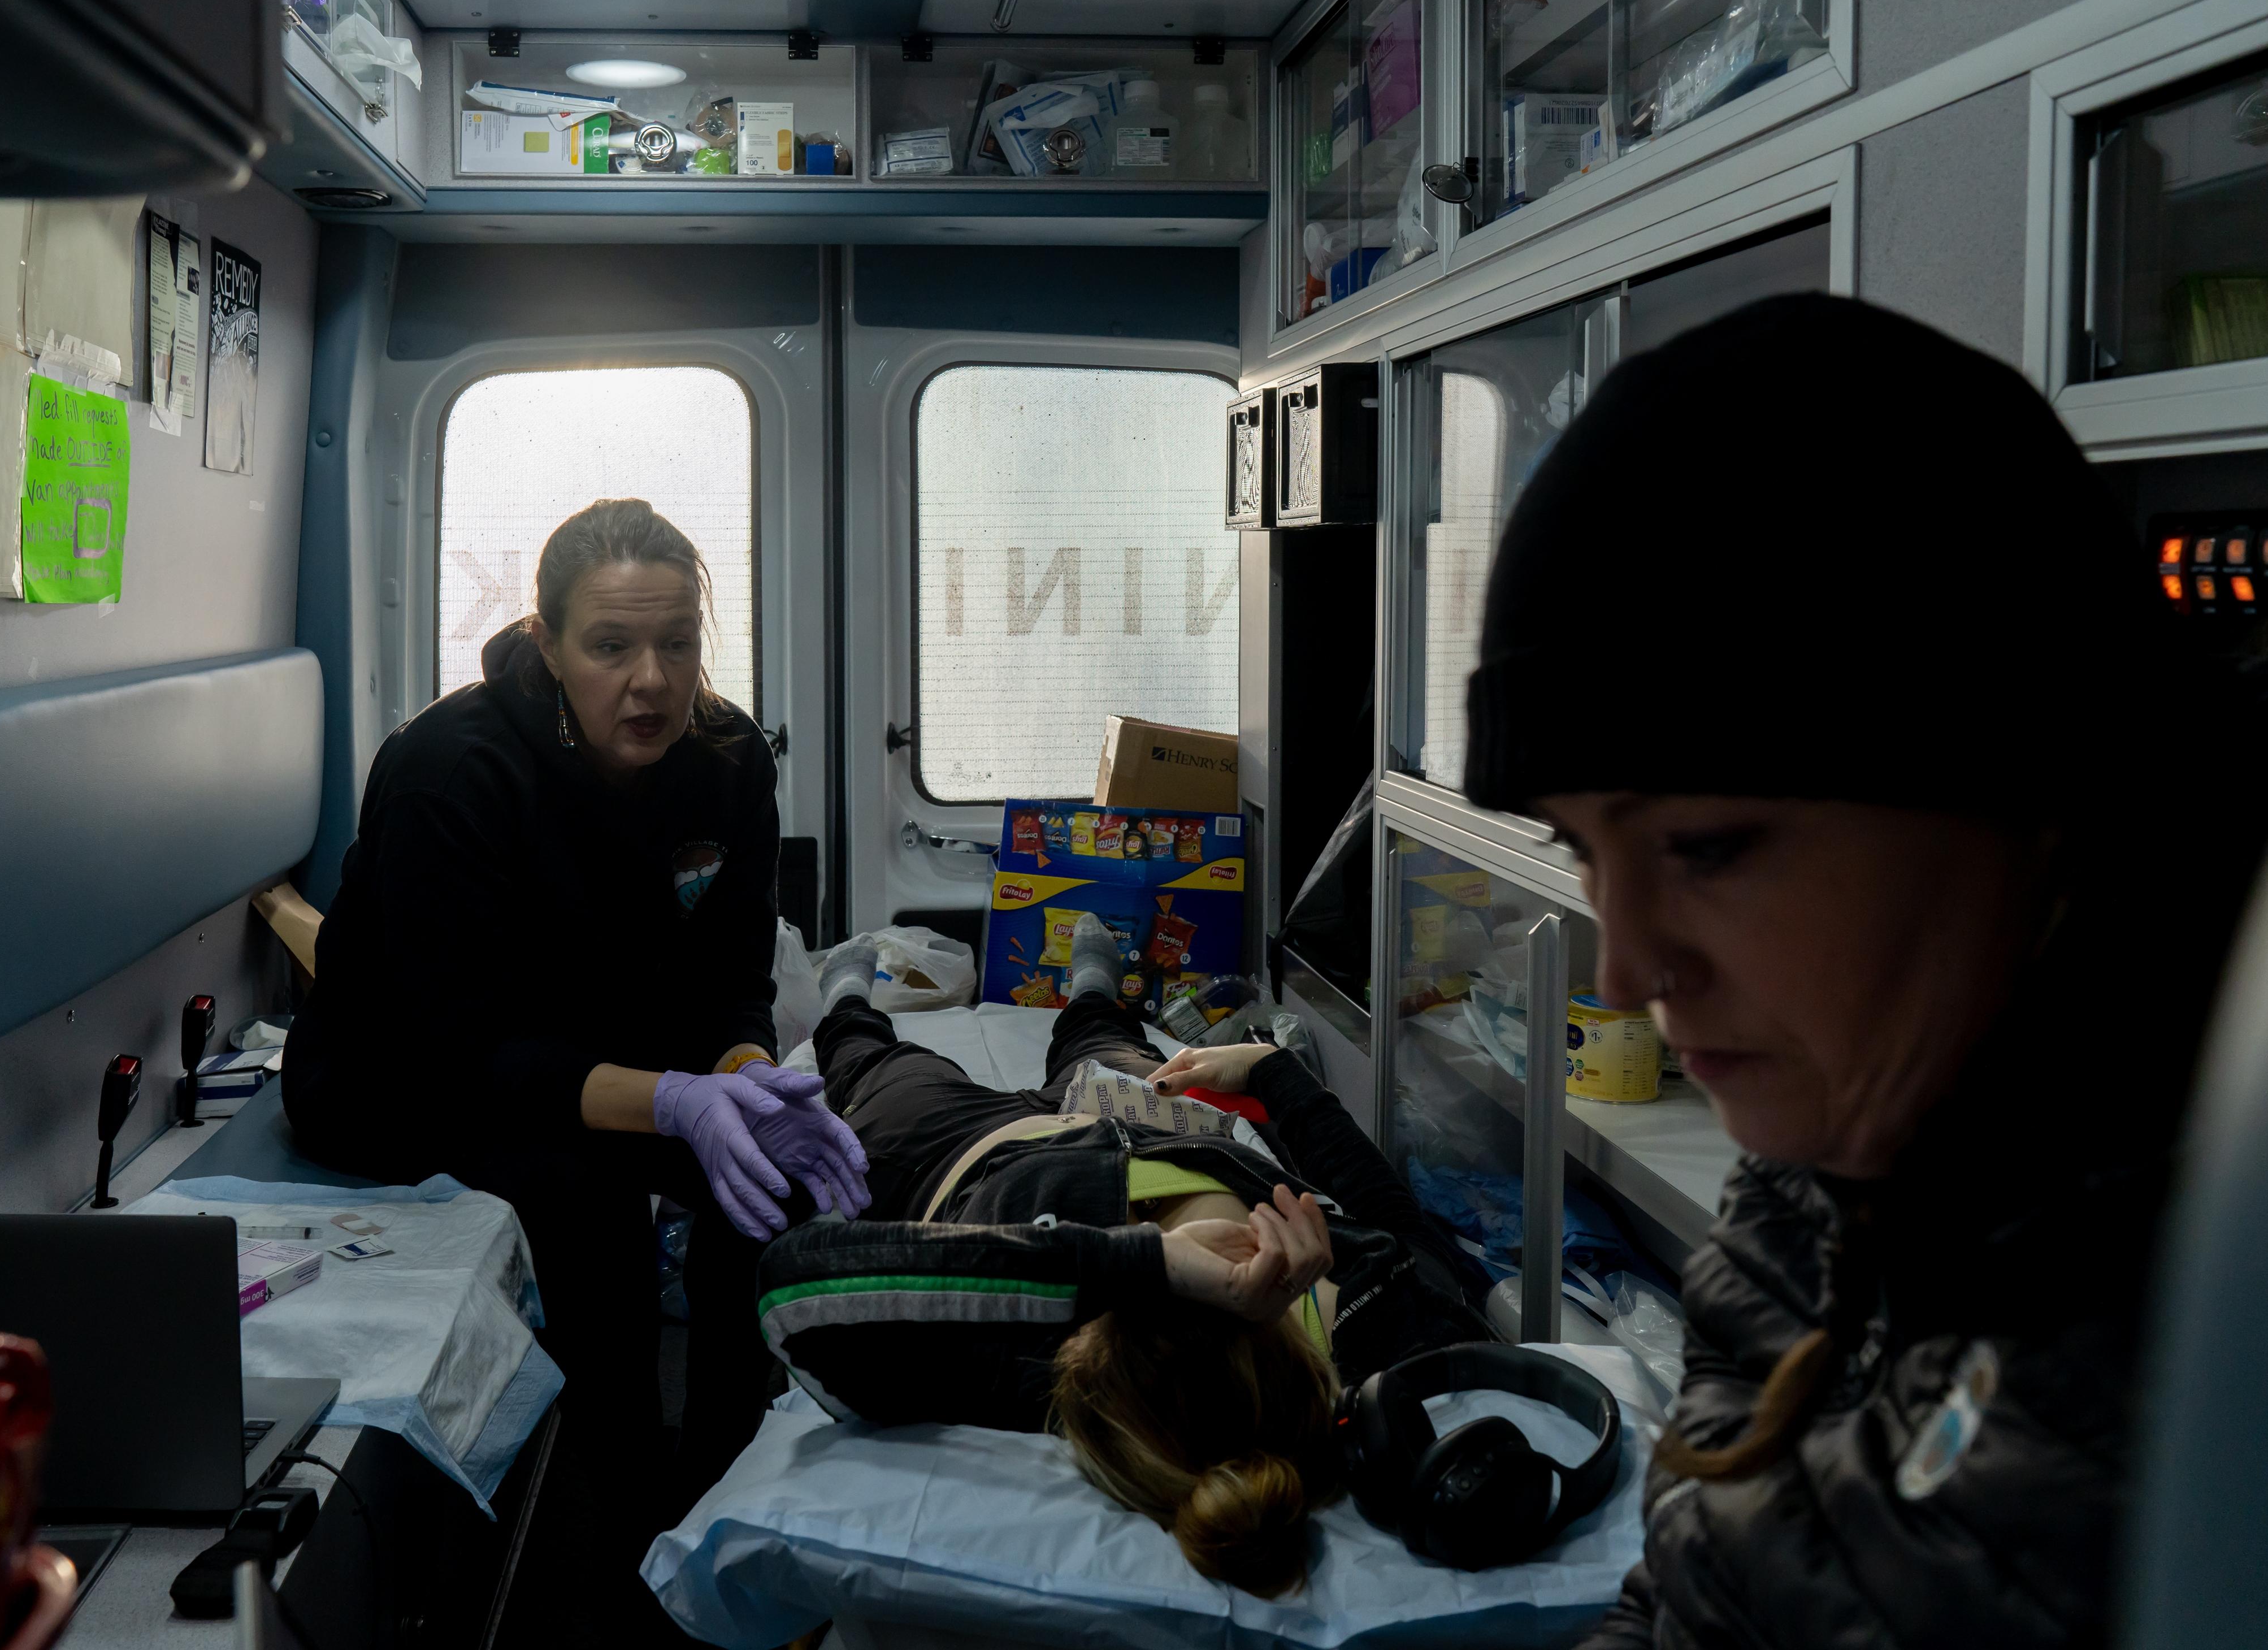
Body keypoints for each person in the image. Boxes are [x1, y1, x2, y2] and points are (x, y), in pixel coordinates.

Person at [1457, 294, 2268, 1648]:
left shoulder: (2209, 1328)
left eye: (1707, 846)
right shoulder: (1813, 1192)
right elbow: (1695, 1596)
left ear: (2024, 781)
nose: (1629, 961)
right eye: (1580, 850)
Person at [281, 497, 866, 1508]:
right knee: (586, 1200)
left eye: (678, 644)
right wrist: (675, 1102)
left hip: (602, 1056)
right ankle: (625, 1506)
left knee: (768, 1189)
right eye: (610, 646)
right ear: (547, 645)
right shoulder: (450, 774)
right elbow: (461, 1048)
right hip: (405, 1076)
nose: (652, 681)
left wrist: (740, 1074)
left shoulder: (728, 763)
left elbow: (733, 973)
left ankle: (724, 1486)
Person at [754, 915, 1494, 1597]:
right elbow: (1390, 1210)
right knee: (1105, 1042)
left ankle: (847, 992)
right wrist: (1270, 1072)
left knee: (868, 1060)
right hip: (1160, 1125)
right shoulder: (1386, 1318)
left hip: (956, 1153)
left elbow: (797, 1279)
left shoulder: (1034, 1369)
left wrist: (1150, 1262)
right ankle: (1093, 990)